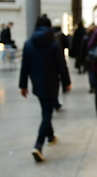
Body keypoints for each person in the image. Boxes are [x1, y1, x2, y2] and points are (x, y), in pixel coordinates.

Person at [19, 16, 71, 162]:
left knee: (45, 110)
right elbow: (61, 65)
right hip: (52, 83)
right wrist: (67, 82)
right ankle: (38, 144)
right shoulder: (54, 44)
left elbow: (25, 66)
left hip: (37, 83)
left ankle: (51, 136)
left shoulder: (28, 44)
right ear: (49, 27)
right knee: (47, 113)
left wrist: (23, 85)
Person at [52, 18, 70, 111]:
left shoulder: (49, 35)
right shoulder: (62, 35)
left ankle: (55, 101)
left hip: (50, 61)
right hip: (60, 57)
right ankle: (64, 86)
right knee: (60, 74)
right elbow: (67, 45)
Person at [79, 23, 96, 93]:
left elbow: (82, 49)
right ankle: (95, 85)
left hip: (88, 57)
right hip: (96, 57)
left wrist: (81, 59)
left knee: (90, 72)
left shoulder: (85, 37)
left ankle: (92, 86)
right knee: (95, 72)